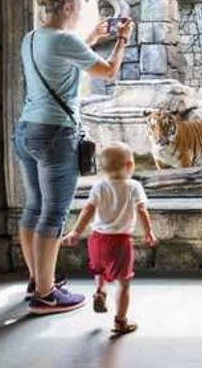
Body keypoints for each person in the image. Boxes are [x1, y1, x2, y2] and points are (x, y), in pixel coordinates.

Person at [16, 0, 133, 315]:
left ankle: (37, 278)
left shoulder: (33, 38)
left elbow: (62, 59)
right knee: (53, 214)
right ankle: (45, 295)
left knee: (34, 207)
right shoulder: (65, 42)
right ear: (67, 6)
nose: (79, 14)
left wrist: (92, 36)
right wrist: (121, 39)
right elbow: (108, 71)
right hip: (55, 133)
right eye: (78, 9)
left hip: (26, 129)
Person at [62, 143, 157, 336]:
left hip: (96, 240)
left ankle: (100, 291)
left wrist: (75, 232)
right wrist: (149, 232)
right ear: (130, 165)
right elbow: (142, 210)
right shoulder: (133, 186)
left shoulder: (99, 186)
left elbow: (88, 209)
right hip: (120, 242)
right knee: (123, 283)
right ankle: (120, 321)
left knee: (99, 269)